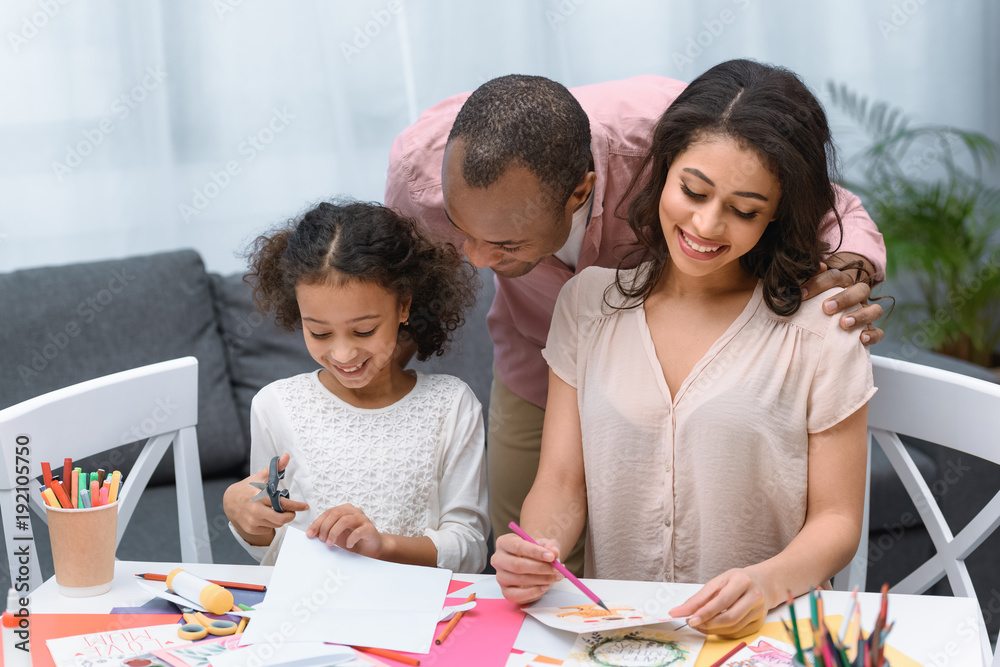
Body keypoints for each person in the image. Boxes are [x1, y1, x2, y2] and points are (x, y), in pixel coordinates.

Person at [385, 72, 886, 574]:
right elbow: (390, 300)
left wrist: (847, 272)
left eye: (505, 244)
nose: (474, 260)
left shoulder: (683, 140)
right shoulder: (421, 174)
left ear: (582, 192)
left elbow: (824, 203)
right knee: (524, 552)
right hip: (536, 348)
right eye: (461, 229)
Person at [490, 59, 875, 638]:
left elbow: (838, 520)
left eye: (744, 210)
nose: (706, 224)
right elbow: (562, 482)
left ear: (777, 214)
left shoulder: (822, 330)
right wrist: (539, 547)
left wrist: (766, 582)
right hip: (620, 638)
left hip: (760, 636)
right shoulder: (588, 305)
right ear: (663, 171)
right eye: (692, 190)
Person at [222, 200, 490, 573]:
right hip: (310, 613)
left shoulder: (451, 405)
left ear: (404, 307)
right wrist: (246, 521)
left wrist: (382, 546)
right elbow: (275, 548)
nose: (344, 353)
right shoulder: (275, 406)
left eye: (364, 330)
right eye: (319, 332)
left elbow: (471, 549)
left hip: (418, 612)